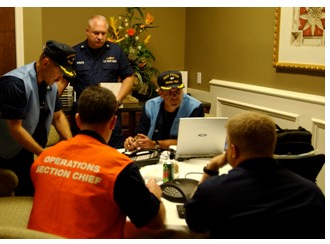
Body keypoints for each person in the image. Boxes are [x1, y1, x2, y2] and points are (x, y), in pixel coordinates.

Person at [27, 86, 166, 238]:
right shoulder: (120, 167)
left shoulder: (43, 158)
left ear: (78, 120)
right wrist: (154, 194)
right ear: (113, 122)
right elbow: (155, 223)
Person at [184, 111, 325, 238]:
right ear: (272, 145)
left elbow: (194, 224)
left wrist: (211, 168)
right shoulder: (311, 192)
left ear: (233, 150)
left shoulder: (213, 190)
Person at [0, 40, 75, 196]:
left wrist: (72, 145)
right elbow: (15, 128)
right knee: (4, 197)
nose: (60, 78)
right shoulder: (14, 84)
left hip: (24, 152)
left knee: (31, 194)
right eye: (59, 71)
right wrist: (44, 155)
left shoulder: (51, 85)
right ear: (46, 63)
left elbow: (58, 116)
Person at [58, 14, 135, 149]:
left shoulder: (116, 51)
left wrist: (118, 100)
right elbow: (62, 81)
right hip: (84, 116)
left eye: (103, 33)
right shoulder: (74, 53)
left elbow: (129, 77)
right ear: (87, 31)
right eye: (96, 33)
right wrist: (49, 101)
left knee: (113, 153)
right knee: (84, 154)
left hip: (109, 113)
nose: (100, 37)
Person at [124, 70, 204, 151]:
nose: (174, 96)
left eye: (178, 91)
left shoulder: (195, 107)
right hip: (153, 153)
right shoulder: (150, 106)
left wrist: (155, 144)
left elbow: (192, 141)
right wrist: (134, 141)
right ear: (160, 92)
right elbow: (142, 133)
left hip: (182, 152)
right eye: (169, 92)